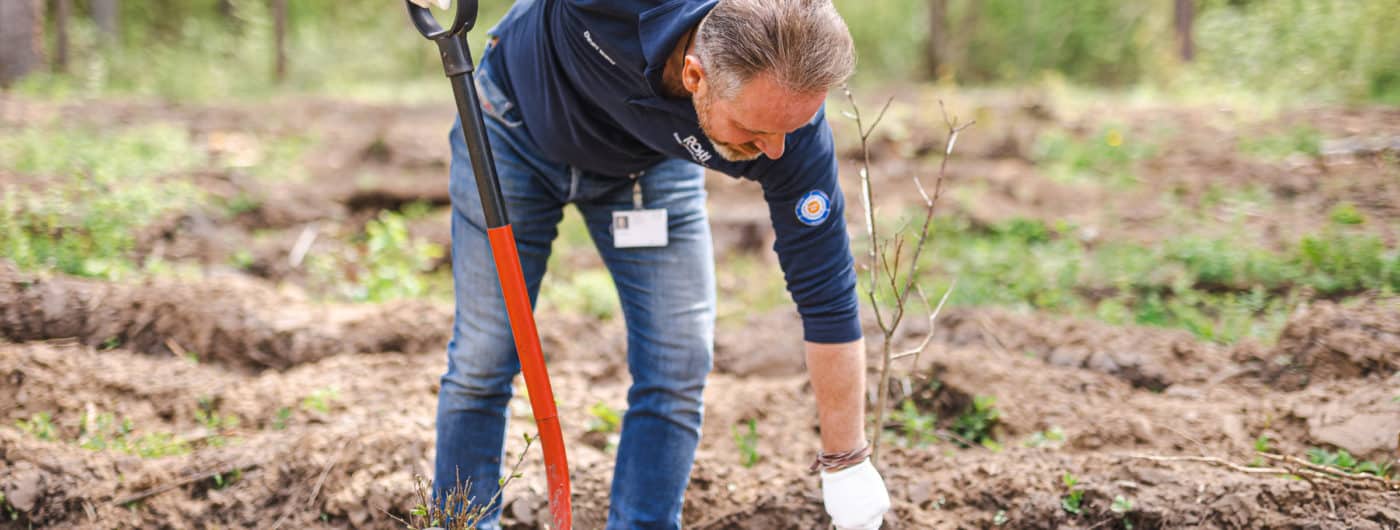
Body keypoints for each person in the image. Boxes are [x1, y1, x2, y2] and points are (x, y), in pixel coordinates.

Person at [409, 0, 891, 527]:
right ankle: (462, 521)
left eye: (789, 131)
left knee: (678, 361)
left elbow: (827, 297)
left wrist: (846, 461)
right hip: (512, 130)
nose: (775, 151)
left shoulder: (792, 135)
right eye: (755, 131)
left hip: (647, 166)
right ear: (695, 75)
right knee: (484, 357)